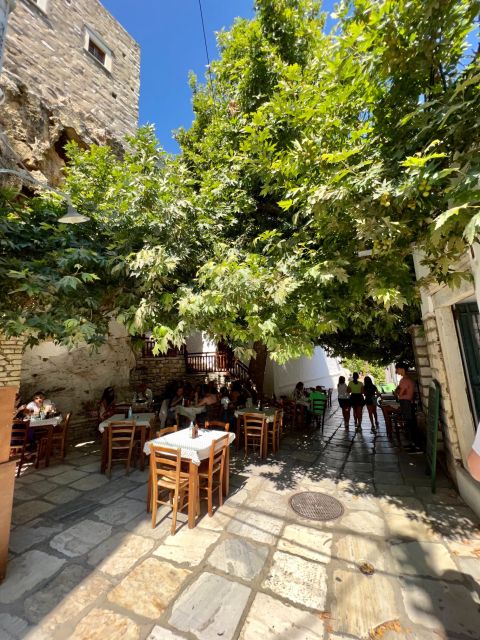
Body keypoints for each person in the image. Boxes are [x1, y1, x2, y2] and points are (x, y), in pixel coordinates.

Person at [395, 361, 420, 450]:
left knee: (410, 424)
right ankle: (414, 444)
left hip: (406, 403)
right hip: (409, 402)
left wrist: (398, 392)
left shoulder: (404, 380)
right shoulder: (409, 379)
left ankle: (416, 445)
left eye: (397, 369)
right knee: (411, 424)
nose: (396, 371)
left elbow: (399, 393)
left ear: (401, 369)